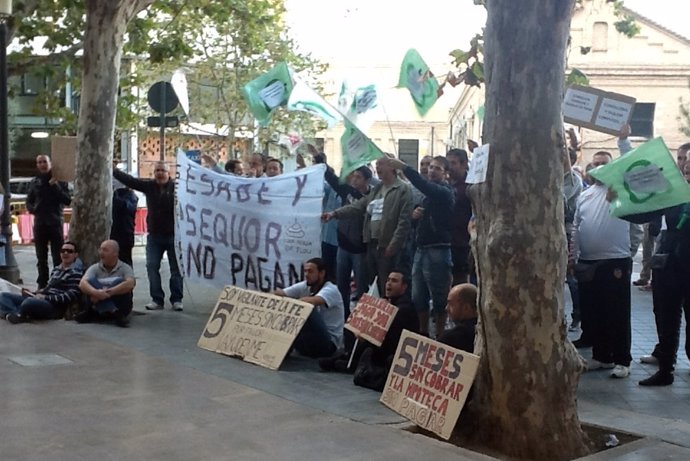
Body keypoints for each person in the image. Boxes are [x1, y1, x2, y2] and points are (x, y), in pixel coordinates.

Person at [619, 161, 690, 386]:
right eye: (686, 168)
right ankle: (666, 369)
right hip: (668, 264)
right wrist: (617, 203)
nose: (686, 172)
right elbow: (642, 214)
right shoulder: (673, 193)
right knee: (665, 317)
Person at [571, 150, 632, 379]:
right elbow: (576, 227)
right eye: (595, 164)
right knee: (594, 312)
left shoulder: (620, 189)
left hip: (615, 259)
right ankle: (602, 356)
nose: (599, 168)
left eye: (604, 164)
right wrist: (572, 257)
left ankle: (623, 359)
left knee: (617, 312)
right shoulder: (584, 196)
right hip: (588, 262)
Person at [386, 155, 455, 339]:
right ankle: (423, 333)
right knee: (418, 296)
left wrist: (404, 167)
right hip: (421, 249)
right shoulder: (427, 196)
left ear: (446, 174)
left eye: (437, 168)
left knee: (440, 298)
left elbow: (425, 186)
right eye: (430, 167)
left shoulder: (445, 192)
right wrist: (415, 217)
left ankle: (440, 336)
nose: (431, 171)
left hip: (438, 250)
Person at [324, 155, 413, 295]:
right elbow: (358, 206)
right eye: (376, 164)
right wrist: (334, 214)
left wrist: (393, 245)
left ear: (392, 167)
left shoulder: (402, 189)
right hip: (371, 245)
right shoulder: (377, 189)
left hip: (388, 246)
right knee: (373, 285)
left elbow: (404, 222)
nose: (377, 167)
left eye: (381, 164)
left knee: (387, 286)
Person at [113, 162, 183, 311]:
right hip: (154, 237)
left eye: (163, 170)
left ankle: (177, 299)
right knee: (151, 267)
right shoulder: (149, 186)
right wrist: (113, 170)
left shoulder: (178, 188)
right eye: (157, 170)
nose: (160, 173)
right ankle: (157, 299)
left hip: (174, 236)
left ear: (169, 173)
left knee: (176, 270)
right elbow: (131, 181)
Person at [350, 270, 420, 390]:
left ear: (404, 287)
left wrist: (366, 336)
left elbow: (389, 340)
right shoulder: (390, 303)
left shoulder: (404, 309)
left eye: (394, 281)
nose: (389, 284)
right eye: (388, 280)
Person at [274, 258, 344, 358]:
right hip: (309, 342)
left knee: (307, 308)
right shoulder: (305, 285)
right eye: (305, 271)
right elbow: (280, 293)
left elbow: (313, 301)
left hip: (328, 344)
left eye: (310, 271)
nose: (306, 274)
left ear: (321, 273)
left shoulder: (331, 289)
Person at [0, 240, 83, 324]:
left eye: (69, 251)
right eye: (63, 251)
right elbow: (48, 288)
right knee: (4, 296)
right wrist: (34, 293)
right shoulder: (57, 269)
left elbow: (71, 295)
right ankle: (16, 314)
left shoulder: (76, 272)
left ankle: (13, 313)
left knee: (28, 302)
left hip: (54, 306)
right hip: (42, 299)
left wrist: (45, 298)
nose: (65, 253)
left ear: (76, 255)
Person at [26, 154, 71, 288]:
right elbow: (29, 200)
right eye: (39, 162)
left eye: (44, 162)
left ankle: (57, 282)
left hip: (55, 222)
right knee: (41, 257)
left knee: (57, 256)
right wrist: (33, 209)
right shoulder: (35, 181)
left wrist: (55, 185)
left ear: (50, 163)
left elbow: (67, 200)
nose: (42, 165)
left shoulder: (60, 180)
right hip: (40, 223)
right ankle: (42, 283)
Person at [76, 240, 136, 328]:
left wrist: (107, 293)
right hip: (102, 305)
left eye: (105, 250)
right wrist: (96, 292)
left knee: (119, 282)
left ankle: (98, 311)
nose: (101, 253)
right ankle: (114, 311)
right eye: (100, 249)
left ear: (115, 253)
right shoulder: (95, 268)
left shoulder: (125, 268)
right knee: (90, 281)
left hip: (120, 305)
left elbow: (131, 283)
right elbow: (82, 284)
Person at [446, 148, 473, 285]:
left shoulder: (471, 186)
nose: (449, 167)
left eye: (453, 163)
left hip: (463, 242)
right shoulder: (445, 185)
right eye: (448, 163)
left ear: (463, 164)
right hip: (447, 241)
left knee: (460, 281)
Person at [438, 283, 478, 353]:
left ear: (466, 308)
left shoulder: (451, 338)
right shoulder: (487, 332)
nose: (446, 308)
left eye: (451, 304)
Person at [110, 178, 138, 267]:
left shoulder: (131, 196)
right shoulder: (112, 194)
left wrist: (114, 194)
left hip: (125, 233)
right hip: (113, 232)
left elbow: (126, 207)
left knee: (125, 262)